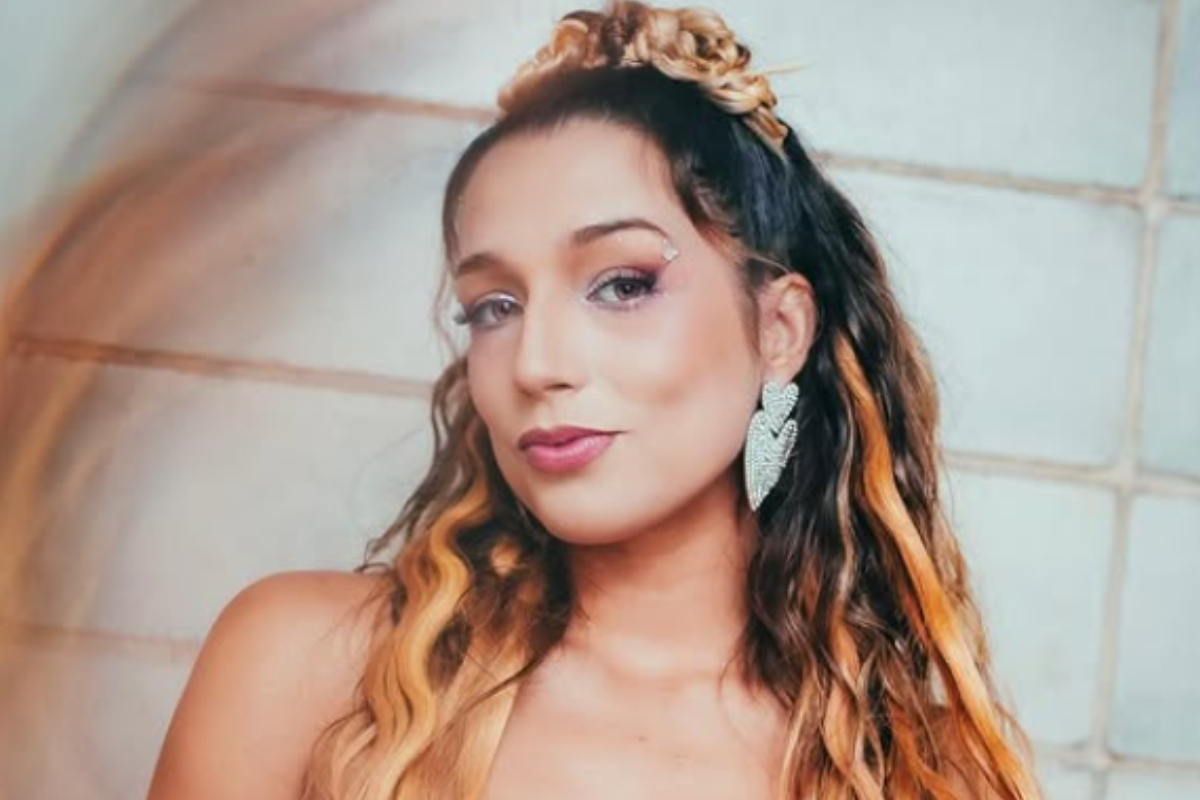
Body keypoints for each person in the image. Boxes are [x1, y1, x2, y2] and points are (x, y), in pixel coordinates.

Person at [145, 2, 1044, 799]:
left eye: (622, 284)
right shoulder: (305, 669)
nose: (536, 363)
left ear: (778, 330)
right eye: (494, 306)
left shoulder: (918, 775)